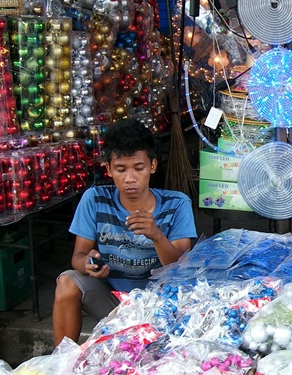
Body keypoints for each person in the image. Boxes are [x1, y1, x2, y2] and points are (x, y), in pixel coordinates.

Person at [52, 119, 197, 345]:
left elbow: (182, 269)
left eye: (138, 168)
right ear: (108, 169)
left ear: (153, 166)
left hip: (158, 307)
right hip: (111, 302)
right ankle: (60, 360)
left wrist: (156, 235)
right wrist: (89, 264)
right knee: (67, 282)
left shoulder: (177, 204)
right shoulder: (95, 199)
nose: (130, 178)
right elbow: (78, 257)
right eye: (121, 169)